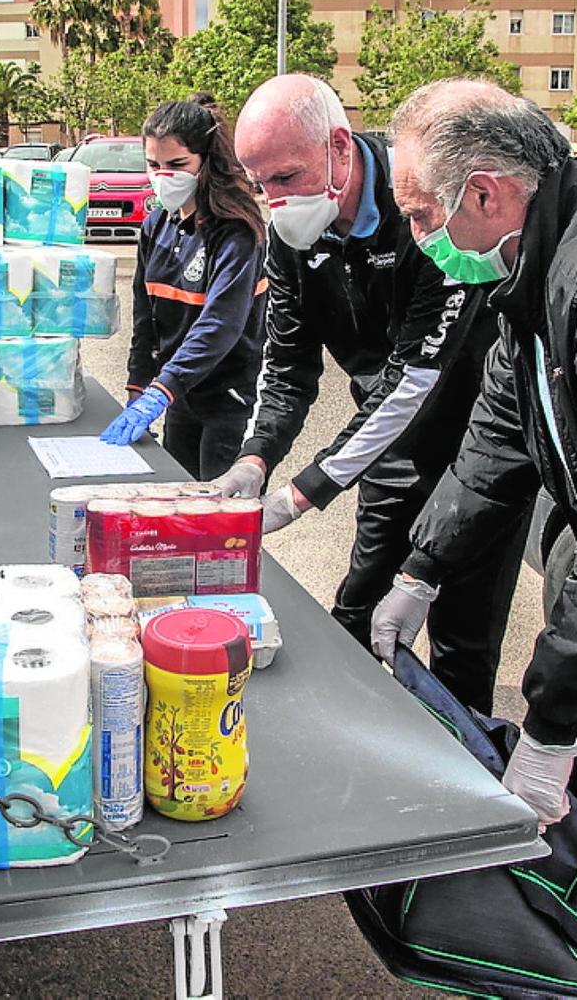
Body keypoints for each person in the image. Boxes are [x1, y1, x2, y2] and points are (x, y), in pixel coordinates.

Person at [369, 78, 577, 992]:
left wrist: (552, 727)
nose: (422, 241)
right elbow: (497, 437)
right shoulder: (535, 269)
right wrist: (422, 571)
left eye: (425, 216)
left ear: (486, 193)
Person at [222, 73, 526, 714]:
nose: (274, 201)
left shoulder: (423, 204)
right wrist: (255, 457)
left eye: (285, 178)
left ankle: (466, 783)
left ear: (338, 149)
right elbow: (288, 363)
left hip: (481, 448)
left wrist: (300, 494)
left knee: (462, 642)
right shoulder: (292, 232)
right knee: (359, 610)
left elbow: (415, 376)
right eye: (260, 184)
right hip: (384, 444)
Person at [100, 95, 267, 481]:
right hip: (178, 396)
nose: (163, 176)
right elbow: (146, 321)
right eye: (153, 165)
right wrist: (139, 387)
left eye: (177, 165)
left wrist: (162, 390)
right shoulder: (155, 227)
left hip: (228, 400)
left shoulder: (237, 231)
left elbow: (220, 325)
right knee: (175, 500)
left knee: (220, 514)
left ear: (205, 162)